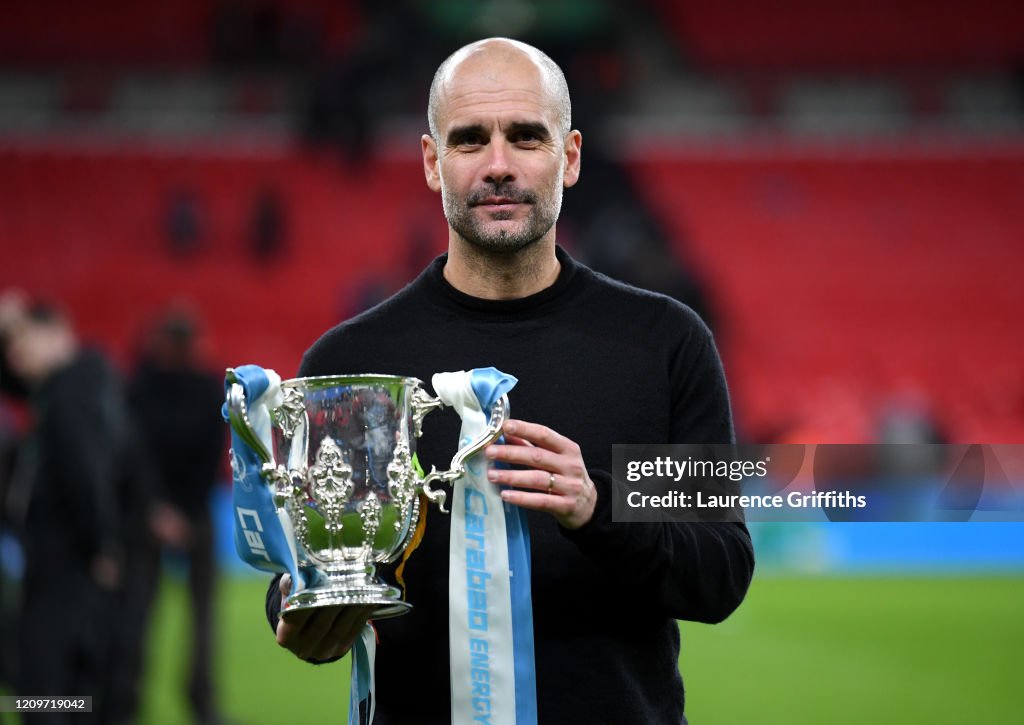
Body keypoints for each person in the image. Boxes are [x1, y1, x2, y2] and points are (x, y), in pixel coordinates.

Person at [267, 37, 754, 724]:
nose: (499, 165)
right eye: (470, 140)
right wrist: (298, 610)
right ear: (434, 164)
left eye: (526, 137)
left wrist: (597, 504)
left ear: (571, 156)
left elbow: (719, 571)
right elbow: (314, 570)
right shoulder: (352, 365)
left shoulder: (661, 345)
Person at [1, 301, 132, 724]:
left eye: (24, 340)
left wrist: (100, 543)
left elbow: (85, 473)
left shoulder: (66, 395)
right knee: (67, 678)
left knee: (45, 685)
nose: (15, 352)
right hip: (70, 554)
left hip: (63, 556)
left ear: (56, 334)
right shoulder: (72, 386)